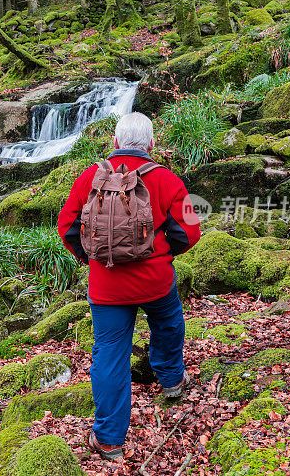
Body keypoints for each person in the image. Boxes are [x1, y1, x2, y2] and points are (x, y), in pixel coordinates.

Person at [57, 112, 201, 461]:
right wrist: (161, 255)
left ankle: (109, 440)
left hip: (107, 287)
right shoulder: (168, 180)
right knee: (168, 323)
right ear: (151, 144)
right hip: (155, 282)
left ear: (116, 142)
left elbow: (67, 226)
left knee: (109, 353)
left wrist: (91, 258)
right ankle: (171, 381)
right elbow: (190, 231)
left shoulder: (90, 178)